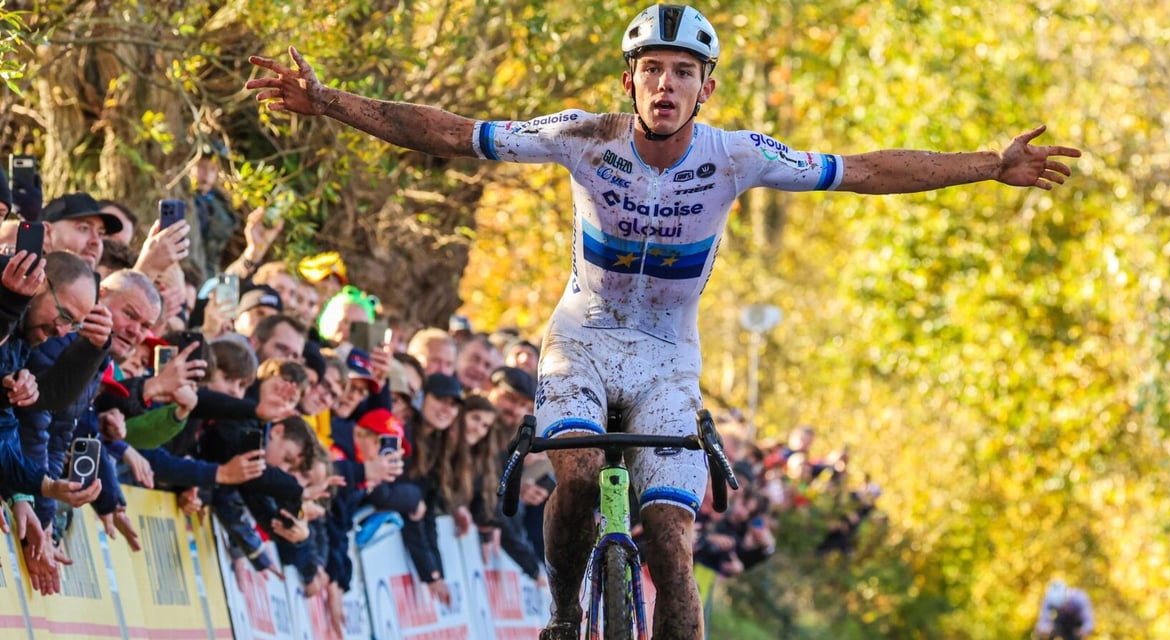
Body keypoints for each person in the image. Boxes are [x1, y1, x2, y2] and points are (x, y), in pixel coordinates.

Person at [246, 4, 1081, 636]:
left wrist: (986, 165)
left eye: (684, 72)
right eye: (653, 70)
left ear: (705, 88)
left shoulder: (738, 155)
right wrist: (329, 104)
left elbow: (862, 170)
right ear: (630, 82)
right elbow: (453, 134)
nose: (667, 85)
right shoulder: (582, 137)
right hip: (584, 337)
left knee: (670, 540)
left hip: (666, 356)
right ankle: (567, 611)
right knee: (573, 474)